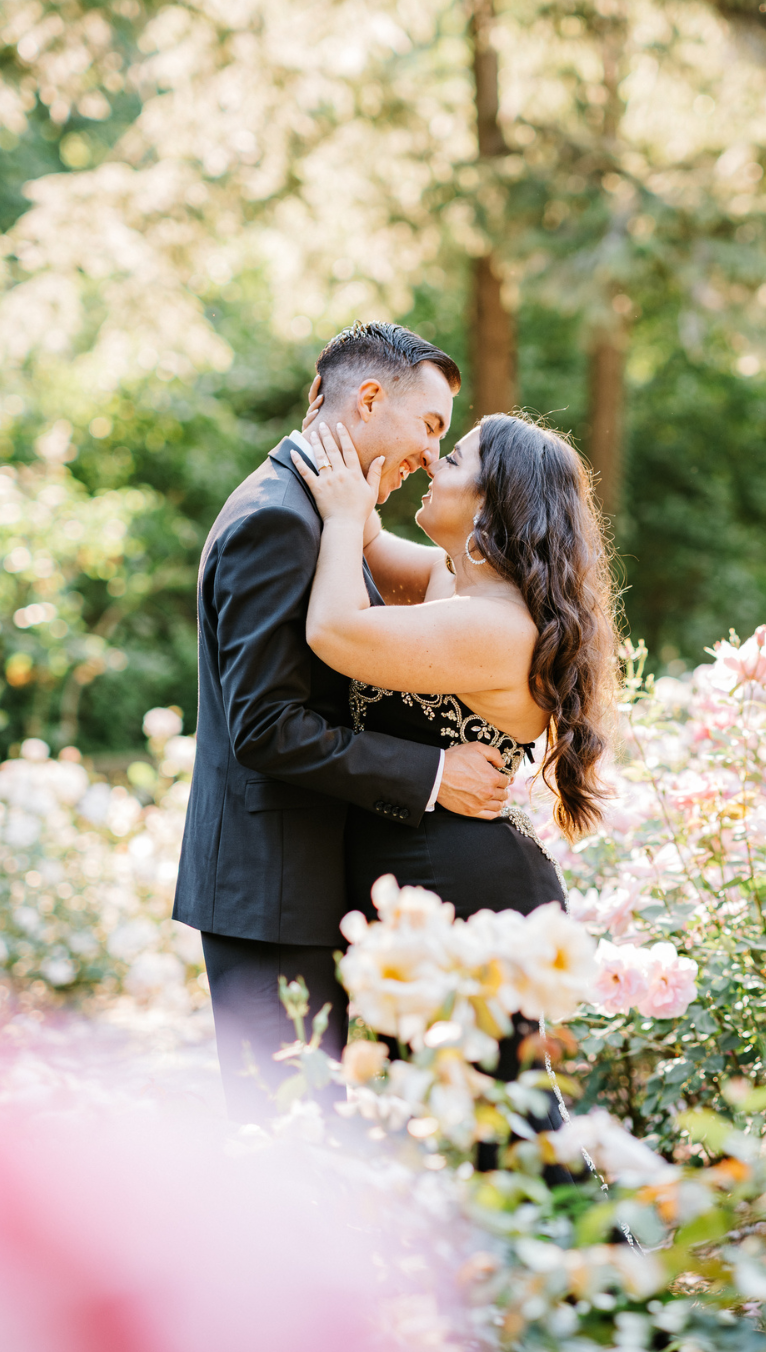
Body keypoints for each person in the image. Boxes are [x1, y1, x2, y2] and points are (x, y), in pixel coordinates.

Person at [173, 323, 513, 1122]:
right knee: (287, 1147)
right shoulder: (280, 519)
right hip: (271, 894)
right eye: (431, 427)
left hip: (303, 888)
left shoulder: (320, 510)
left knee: (320, 1149)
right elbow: (266, 726)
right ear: (368, 400)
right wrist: (434, 773)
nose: (433, 456)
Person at [290, 405, 617, 1084]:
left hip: (459, 888)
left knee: (474, 1119)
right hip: (428, 882)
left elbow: (334, 630)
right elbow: (370, 548)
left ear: (492, 507)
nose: (436, 464)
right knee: (435, 1115)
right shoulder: (460, 583)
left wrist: (347, 515)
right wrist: (346, 434)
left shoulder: (495, 626)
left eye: (457, 458)